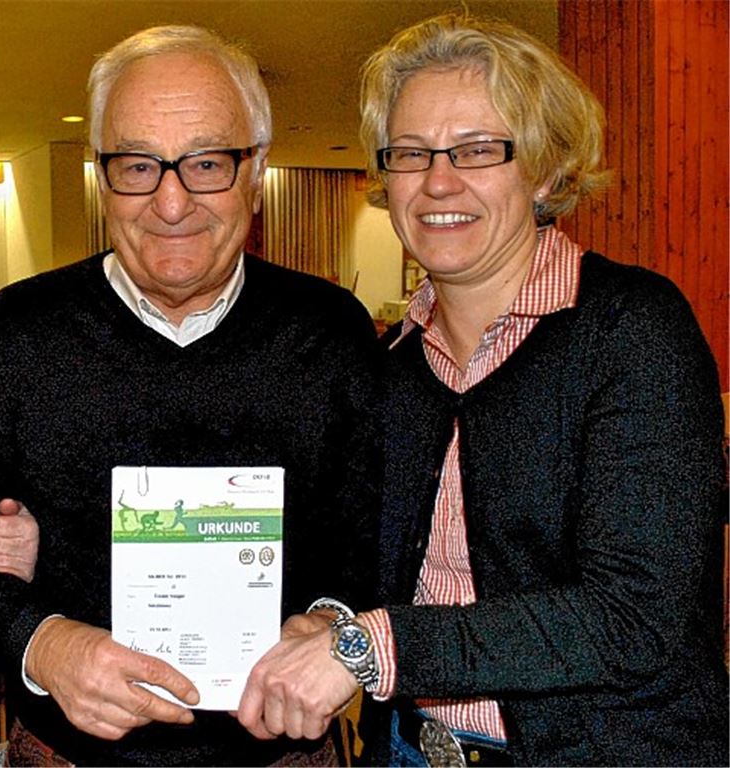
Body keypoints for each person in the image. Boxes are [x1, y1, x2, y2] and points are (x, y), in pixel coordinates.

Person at [236, 13, 728, 766]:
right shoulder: (392, 364)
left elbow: (632, 616)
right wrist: (329, 619)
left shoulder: (632, 330)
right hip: (409, 752)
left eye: (476, 149)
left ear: (546, 169)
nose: (438, 181)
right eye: (411, 153)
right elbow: (372, 566)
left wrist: (372, 646)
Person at [0, 24, 381, 767]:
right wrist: (41, 642)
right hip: (66, 757)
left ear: (256, 169)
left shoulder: (332, 333)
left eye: (206, 164)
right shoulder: (14, 336)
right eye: (138, 166)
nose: (171, 203)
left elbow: (375, 544)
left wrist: (331, 623)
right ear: (101, 173)